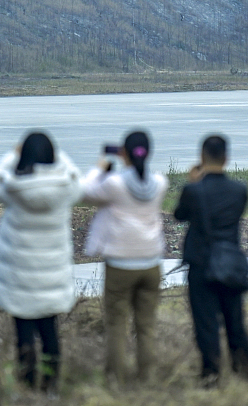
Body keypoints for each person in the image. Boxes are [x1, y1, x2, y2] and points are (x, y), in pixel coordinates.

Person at [0, 132, 82, 392]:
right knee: (50, 333)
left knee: (24, 334)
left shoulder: (13, 188)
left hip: (20, 278)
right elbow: (75, 174)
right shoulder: (66, 189)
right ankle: (51, 386)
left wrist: (12, 156)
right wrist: (58, 155)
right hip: (51, 278)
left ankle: (27, 386)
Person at [81, 130, 169, 385]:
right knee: (146, 326)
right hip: (151, 262)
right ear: (149, 153)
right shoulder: (160, 182)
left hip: (121, 264)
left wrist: (99, 168)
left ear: (124, 154)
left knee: (117, 325)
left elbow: (86, 192)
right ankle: (147, 377)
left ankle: (116, 379)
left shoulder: (115, 184)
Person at [174, 134, 248, 385]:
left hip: (201, 265)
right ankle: (244, 371)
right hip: (230, 263)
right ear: (226, 159)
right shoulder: (240, 191)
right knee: (235, 321)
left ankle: (211, 374)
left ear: (201, 157)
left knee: (206, 324)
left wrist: (194, 182)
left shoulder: (192, 191)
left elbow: (180, 215)